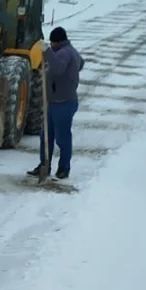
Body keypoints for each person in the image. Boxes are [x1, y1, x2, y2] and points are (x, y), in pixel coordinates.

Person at [30, 26, 83, 180]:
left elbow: (59, 68)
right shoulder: (68, 51)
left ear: (57, 42)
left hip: (64, 103)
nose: (51, 45)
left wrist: (47, 52)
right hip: (54, 102)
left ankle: (64, 168)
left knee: (62, 137)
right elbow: (81, 63)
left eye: (52, 43)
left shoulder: (65, 52)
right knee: (45, 135)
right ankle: (44, 165)